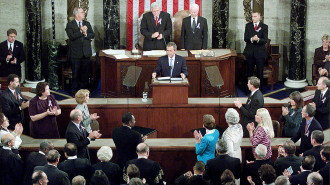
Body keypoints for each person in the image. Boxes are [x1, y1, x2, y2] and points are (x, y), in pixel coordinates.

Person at [65, 7, 95, 94]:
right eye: (82, 12)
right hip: (75, 54)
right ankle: (75, 92)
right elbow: (72, 37)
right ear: (76, 14)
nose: (84, 13)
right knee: (75, 74)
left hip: (86, 53)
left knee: (85, 74)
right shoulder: (70, 25)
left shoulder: (87, 23)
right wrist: (81, 31)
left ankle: (84, 92)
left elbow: (92, 35)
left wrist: (85, 34)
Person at [243, 11, 268, 81]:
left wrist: (257, 39)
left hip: (260, 54)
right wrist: (252, 39)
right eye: (252, 16)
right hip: (250, 53)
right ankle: (249, 90)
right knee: (249, 73)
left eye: (255, 16)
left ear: (259, 17)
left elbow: (265, 40)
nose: (253, 18)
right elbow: (245, 38)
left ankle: (259, 90)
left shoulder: (264, 27)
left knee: (260, 73)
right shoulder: (248, 26)